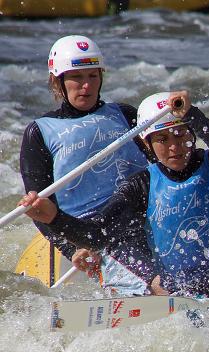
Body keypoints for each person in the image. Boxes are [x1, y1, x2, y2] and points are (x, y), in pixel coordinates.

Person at [18, 90, 209, 297]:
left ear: (192, 134)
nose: (174, 147)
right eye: (162, 139)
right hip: (189, 294)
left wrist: (193, 115)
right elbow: (97, 235)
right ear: (146, 145)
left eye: (180, 134)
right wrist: (54, 218)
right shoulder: (141, 186)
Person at [19, 35, 151, 293]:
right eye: (76, 78)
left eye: (93, 76)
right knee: (156, 287)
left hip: (143, 216)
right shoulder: (40, 132)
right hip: (93, 232)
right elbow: (40, 208)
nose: (86, 86)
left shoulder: (125, 115)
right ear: (58, 81)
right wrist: (73, 248)